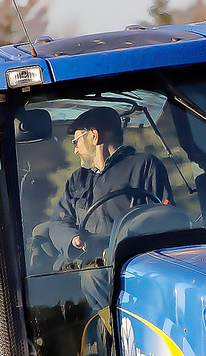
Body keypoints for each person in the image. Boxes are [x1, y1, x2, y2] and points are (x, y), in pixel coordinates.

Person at [39, 107, 173, 265]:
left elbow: (164, 219)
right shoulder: (78, 178)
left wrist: (119, 249)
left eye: (76, 142)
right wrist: (73, 239)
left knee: (93, 278)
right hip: (87, 257)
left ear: (94, 136)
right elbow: (59, 221)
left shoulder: (145, 166)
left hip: (129, 260)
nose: (75, 150)